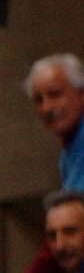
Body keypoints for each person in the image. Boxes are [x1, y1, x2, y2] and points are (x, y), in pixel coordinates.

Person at [30, 53, 84, 195]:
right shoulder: (68, 152)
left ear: (81, 95)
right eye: (38, 100)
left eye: (55, 94)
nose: (46, 107)